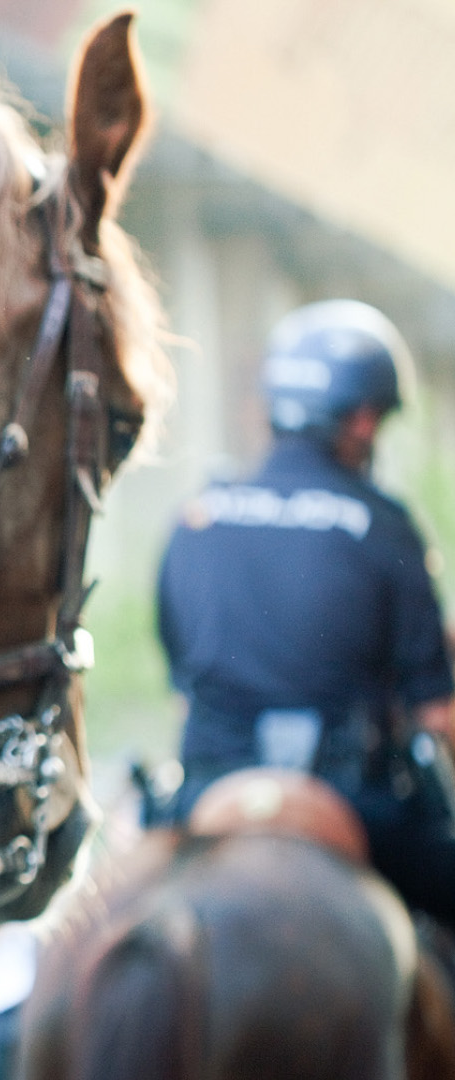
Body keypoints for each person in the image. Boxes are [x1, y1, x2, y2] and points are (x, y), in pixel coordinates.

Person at [156, 299, 455, 923]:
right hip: (356, 803)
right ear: (365, 422)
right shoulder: (386, 527)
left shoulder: (195, 520)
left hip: (204, 795)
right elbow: (437, 713)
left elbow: (183, 689)